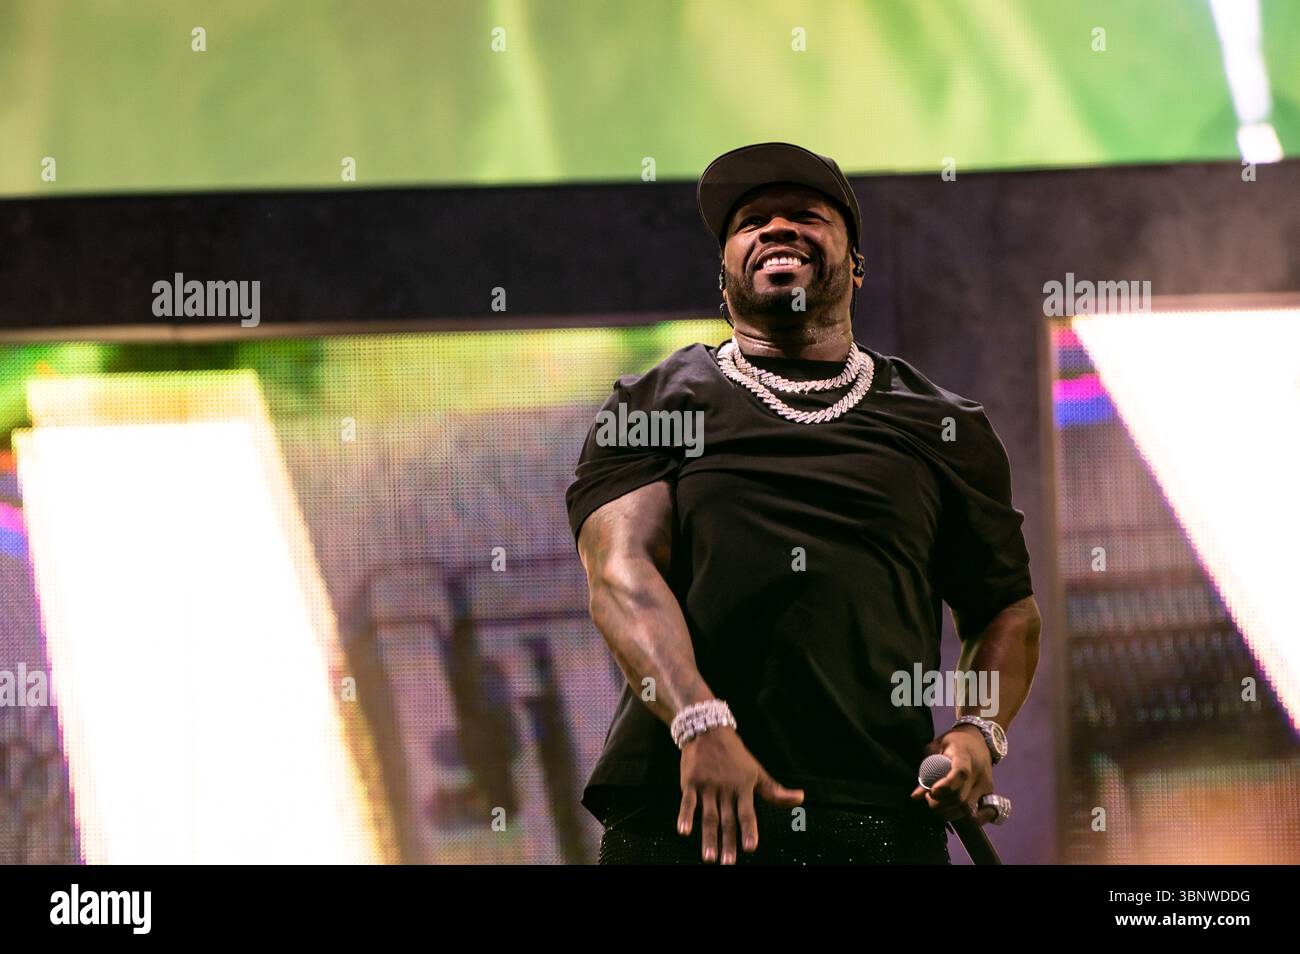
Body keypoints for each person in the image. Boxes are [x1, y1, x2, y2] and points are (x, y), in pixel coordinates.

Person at [566, 142, 1042, 864]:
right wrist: (700, 722)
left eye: (806, 215)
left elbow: (1005, 608)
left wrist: (980, 731)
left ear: (855, 265)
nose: (776, 228)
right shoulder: (655, 403)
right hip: (684, 809)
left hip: (881, 815)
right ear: (724, 282)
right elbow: (620, 572)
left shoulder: (943, 426)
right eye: (751, 221)